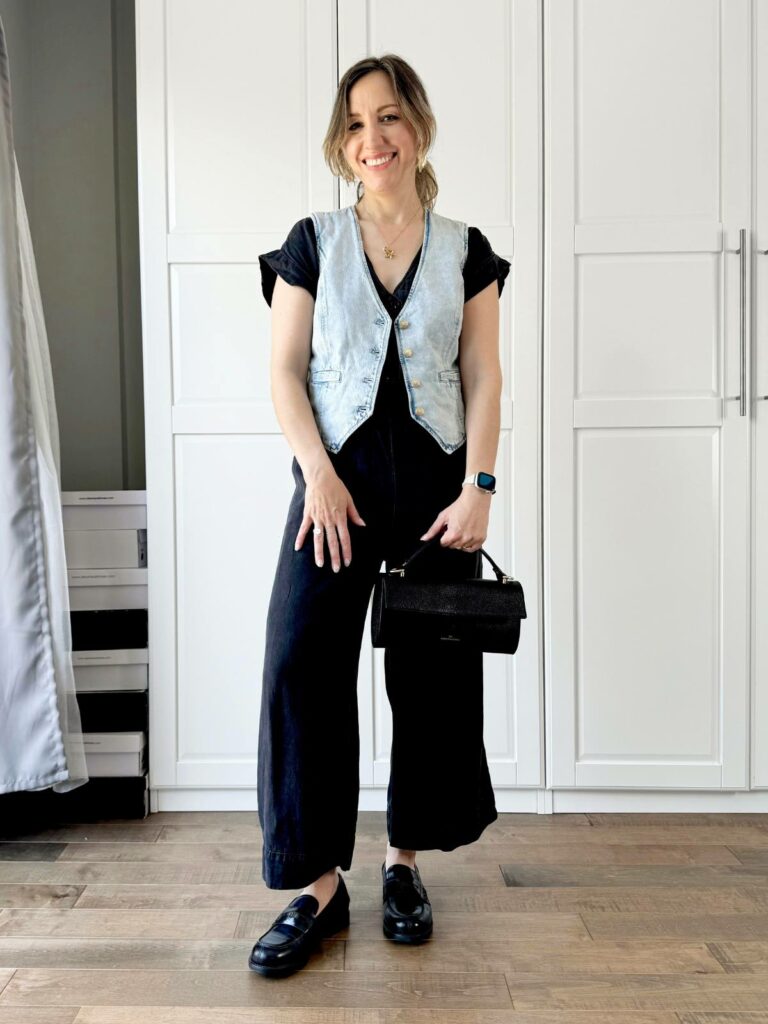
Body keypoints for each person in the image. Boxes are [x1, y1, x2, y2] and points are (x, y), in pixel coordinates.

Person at [248, 54, 510, 978]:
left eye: (390, 117)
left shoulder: (465, 248)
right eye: (357, 124)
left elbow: (482, 376)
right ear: (341, 142)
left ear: (419, 128)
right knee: (301, 664)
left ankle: (403, 864)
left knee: (431, 682)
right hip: (335, 490)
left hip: (439, 496)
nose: (374, 139)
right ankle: (318, 885)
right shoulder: (311, 243)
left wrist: (479, 488)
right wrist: (316, 474)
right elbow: (284, 372)